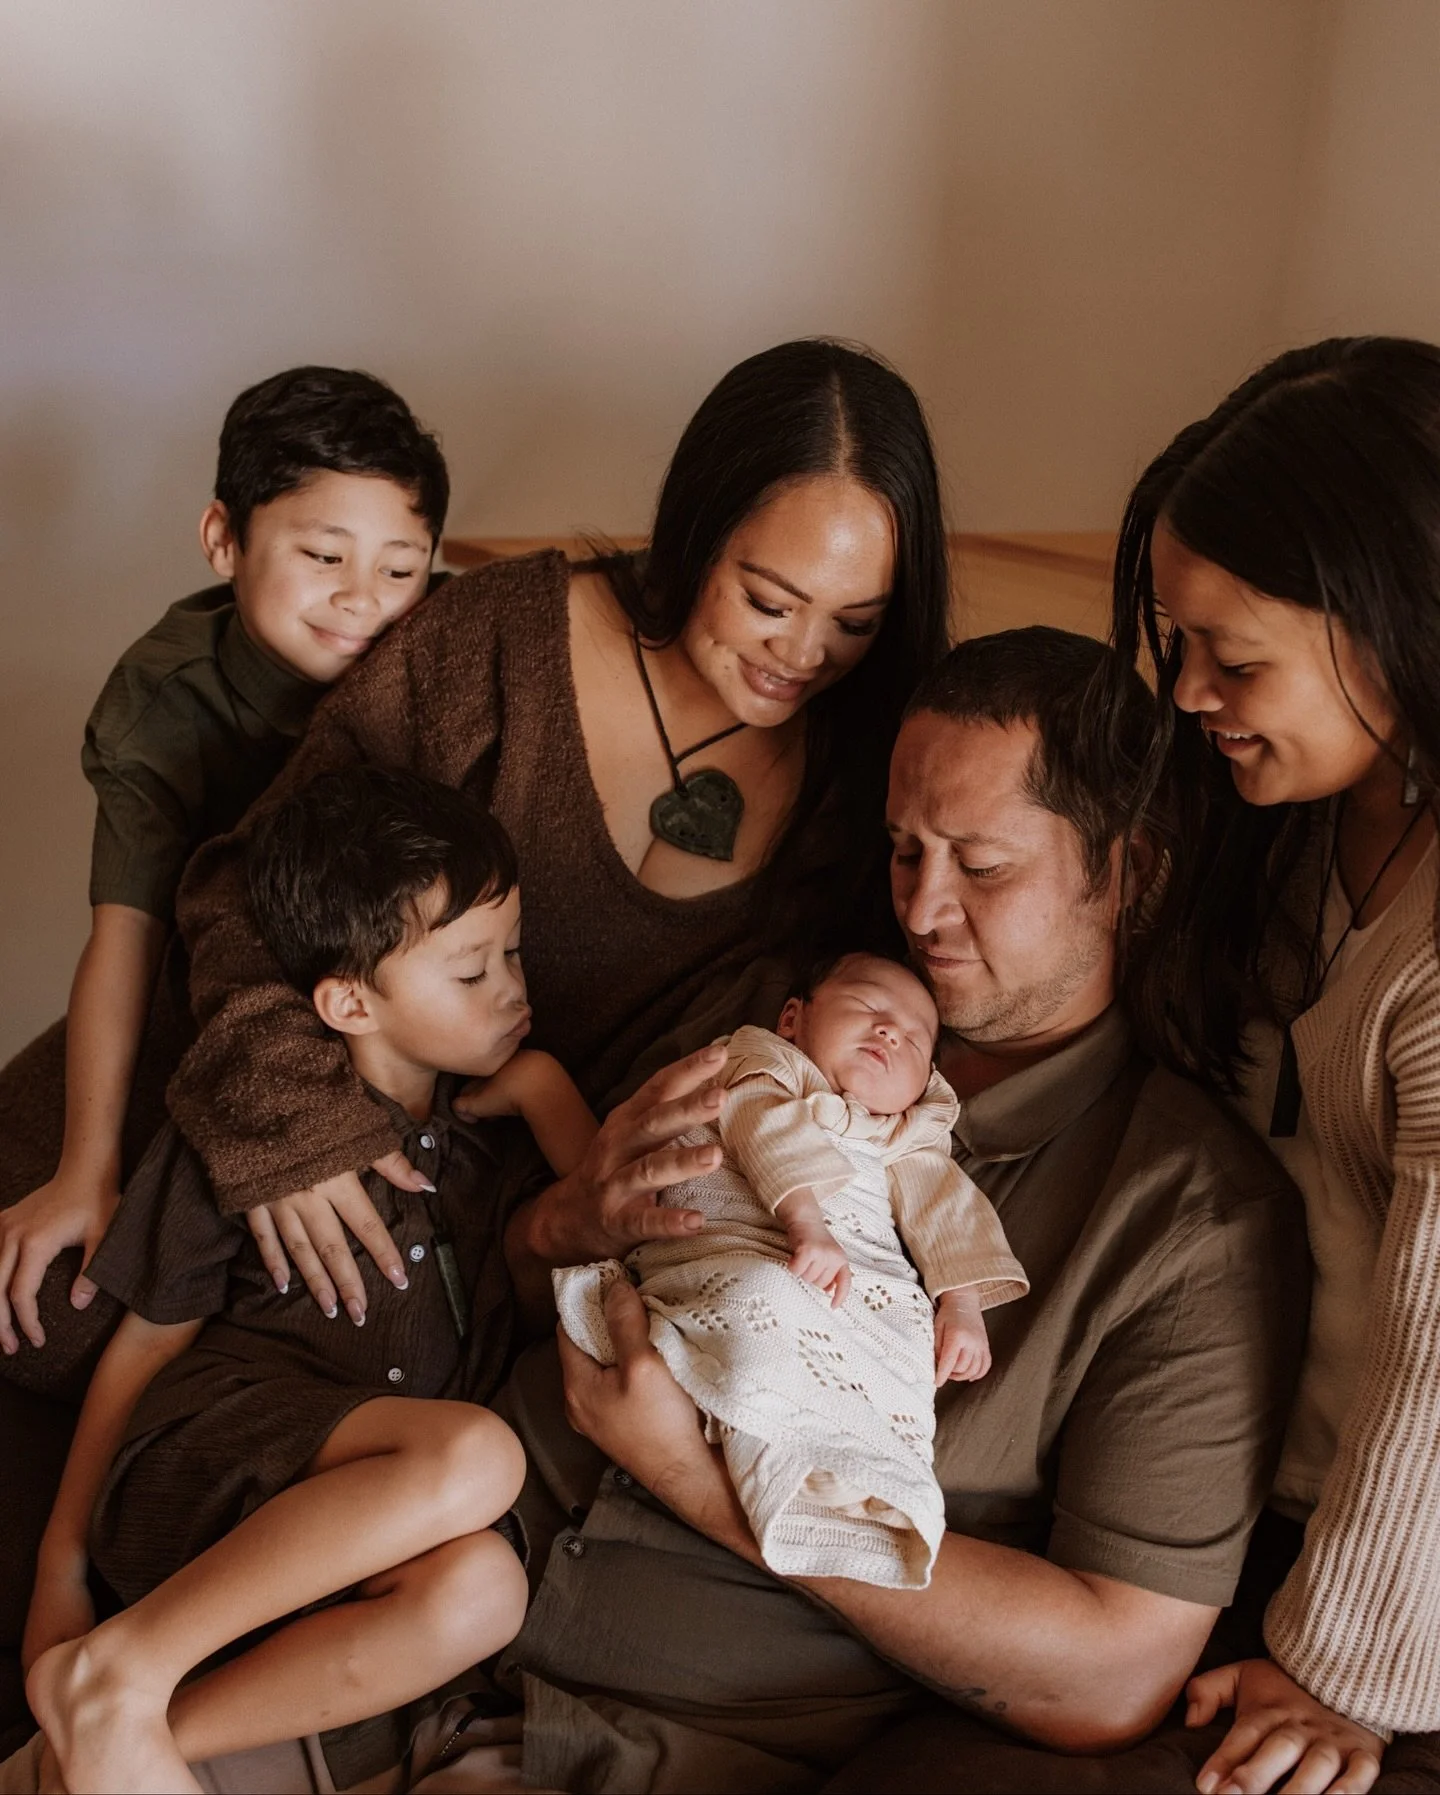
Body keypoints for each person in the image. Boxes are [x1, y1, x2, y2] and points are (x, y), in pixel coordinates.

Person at [491, 627, 1310, 1794]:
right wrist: (559, 1225)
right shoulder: (779, 1010)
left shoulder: (1190, 1221)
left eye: (983, 866)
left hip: (652, 1738)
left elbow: (1114, 1671)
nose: (922, 909)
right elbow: (526, 1274)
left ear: (1131, 869)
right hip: (436, 1568)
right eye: (904, 849)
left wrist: (702, 1485)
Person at [161, 337, 950, 1347]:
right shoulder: (502, 640)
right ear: (695, 533)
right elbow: (242, 885)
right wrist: (290, 1121)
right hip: (266, 1134)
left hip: (492, 1265)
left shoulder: (874, 787)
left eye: (856, 622)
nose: (801, 654)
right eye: (767, 600)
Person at [22, 765, 586, 1795]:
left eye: (512, 952)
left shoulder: (487, 1142)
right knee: (478, 1458)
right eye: (471, 971)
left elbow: (608, 1232)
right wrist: (59, 1564)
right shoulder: (254, 1139)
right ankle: (119, 1668)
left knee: (485, 1589)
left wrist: (547, 1090)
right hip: (206, 1469)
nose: (513, 989)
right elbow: (145, 1342)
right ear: (349, 1001)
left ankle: (98, 1747)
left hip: (328, 1541)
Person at [1108, 336, 1440, 1795]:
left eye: (1235, 660)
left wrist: (1336, 1666)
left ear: (1401, 625)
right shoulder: (1293, 825)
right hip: (1249, 1485)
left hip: (1386, 1569)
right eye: (1178, 644)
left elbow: (1437, 1342)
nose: (1188, 691)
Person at [0, 364, 450, 1385]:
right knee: (46, 1300)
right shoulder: (166, 697)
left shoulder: (441, 651)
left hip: (380, 1012)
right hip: (198, 1004)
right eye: (324, 555)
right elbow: (125, 936)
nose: (363, 598)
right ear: (223, 539)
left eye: (401, 568)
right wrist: (84, 1169)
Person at [555, 953, 1026, 1591]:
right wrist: (805, 1219)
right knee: (764, 1295)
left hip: (858, 1282)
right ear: (792, 1020)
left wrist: (961, 1306)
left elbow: (947, 1209)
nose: (891, 1032)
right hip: (742, 1246)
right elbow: (763, 1124)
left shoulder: (908, 1136)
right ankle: (766, 1445)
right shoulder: (764, 1066)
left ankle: (869, 1471)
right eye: (868, 1006)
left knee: (909, 1349)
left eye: (915, 1040)